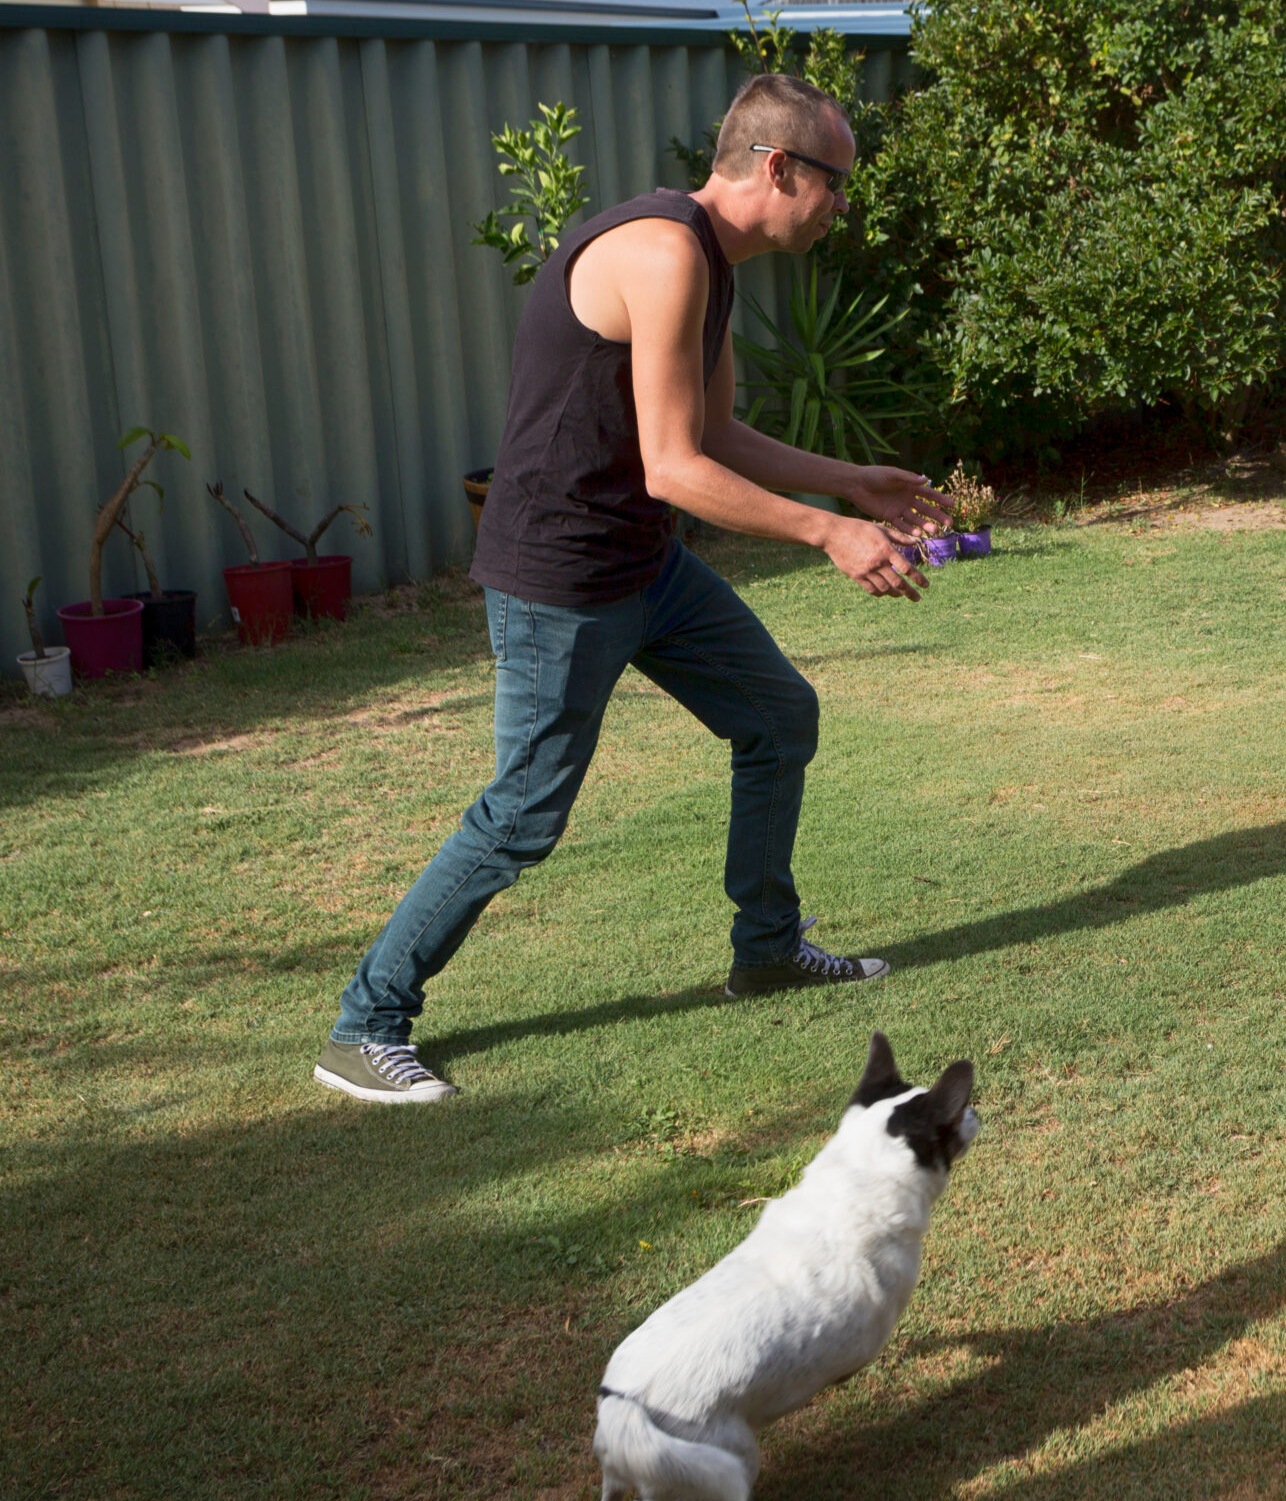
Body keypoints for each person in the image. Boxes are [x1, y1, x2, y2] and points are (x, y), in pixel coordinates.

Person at [313, 73, 951, 1105]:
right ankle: (363, 1025)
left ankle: (768, 951)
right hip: (560, 575)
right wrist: (827, 532)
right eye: (836, 183)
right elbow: (674, 468)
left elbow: (713, 435)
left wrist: (849, 479)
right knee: (523, 814)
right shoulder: (662, 254)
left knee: (777, 715)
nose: (843, 206)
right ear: (777, 167)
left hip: (642, 563)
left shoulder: (713, 261)